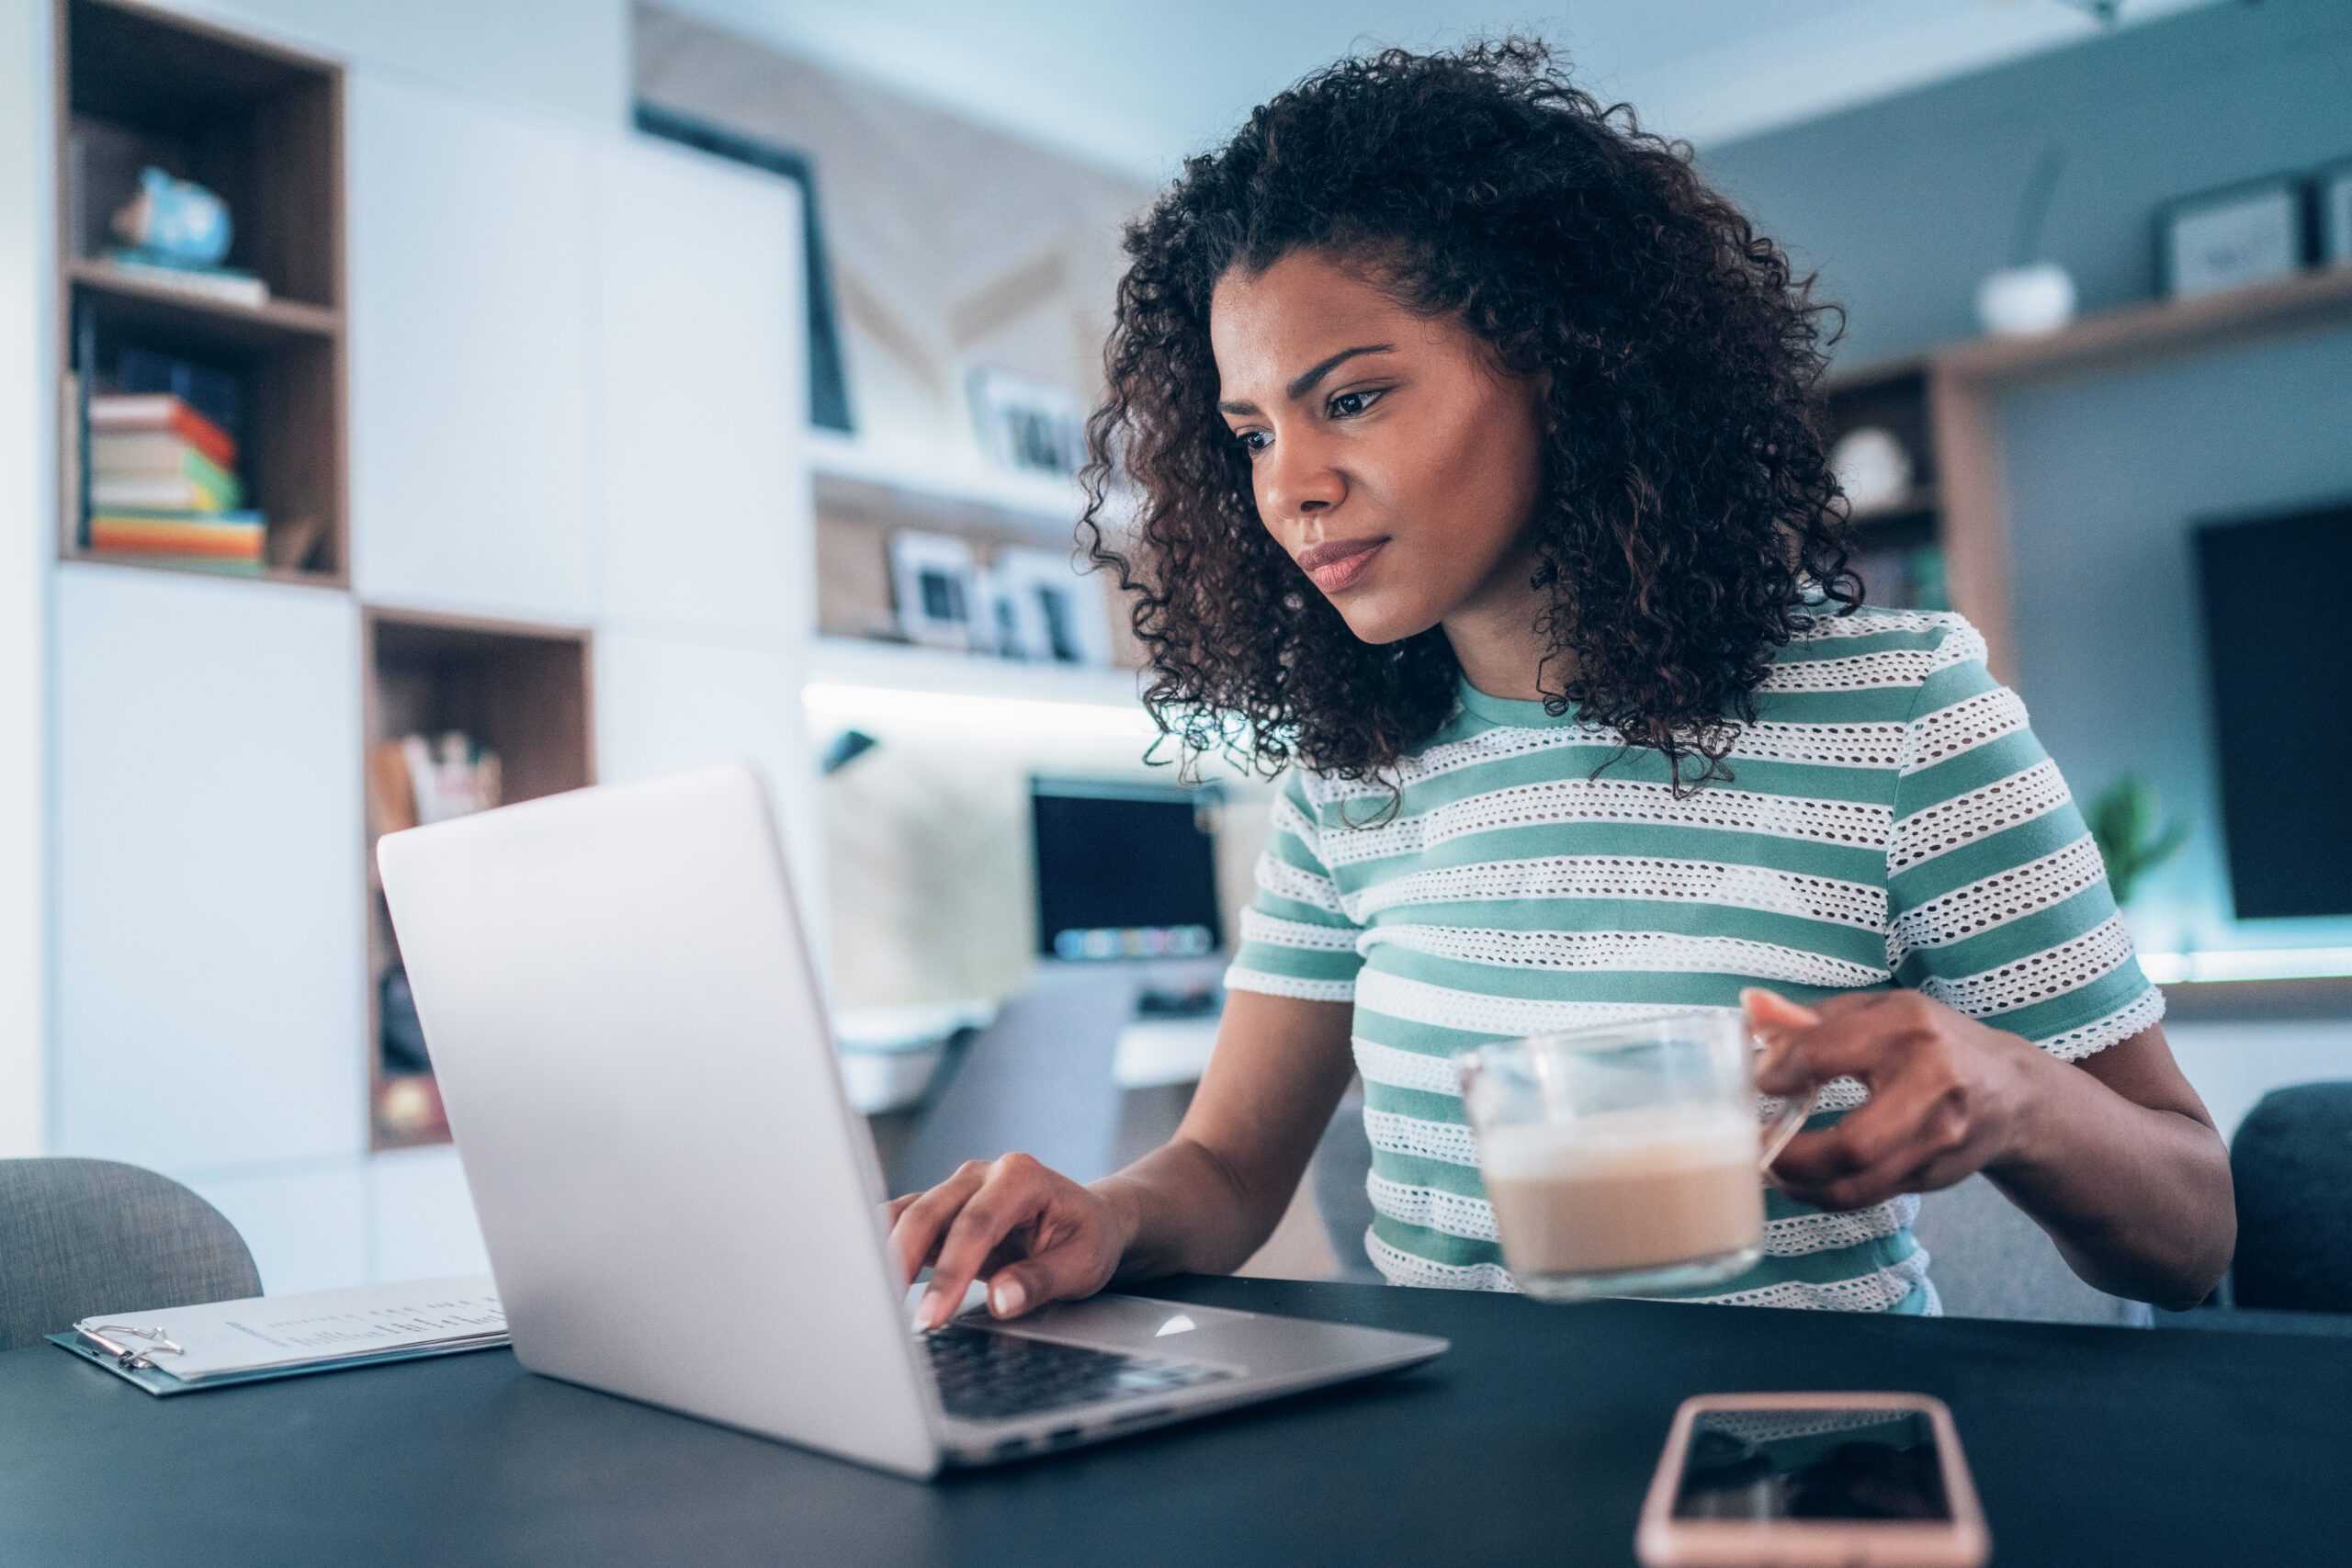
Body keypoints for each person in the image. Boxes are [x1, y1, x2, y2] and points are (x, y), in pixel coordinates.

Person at [889, 40, 2234, 1326]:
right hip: (1466, 1479)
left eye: (1350, 400)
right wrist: (1105, 1218)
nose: (1288, 487)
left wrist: (2015, 1093)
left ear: (1565, 371)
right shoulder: (1352, 783)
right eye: (1252, 433)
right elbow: (1228, 1175)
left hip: (1789, 1475)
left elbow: (2195, 1237)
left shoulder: (1902, 721)